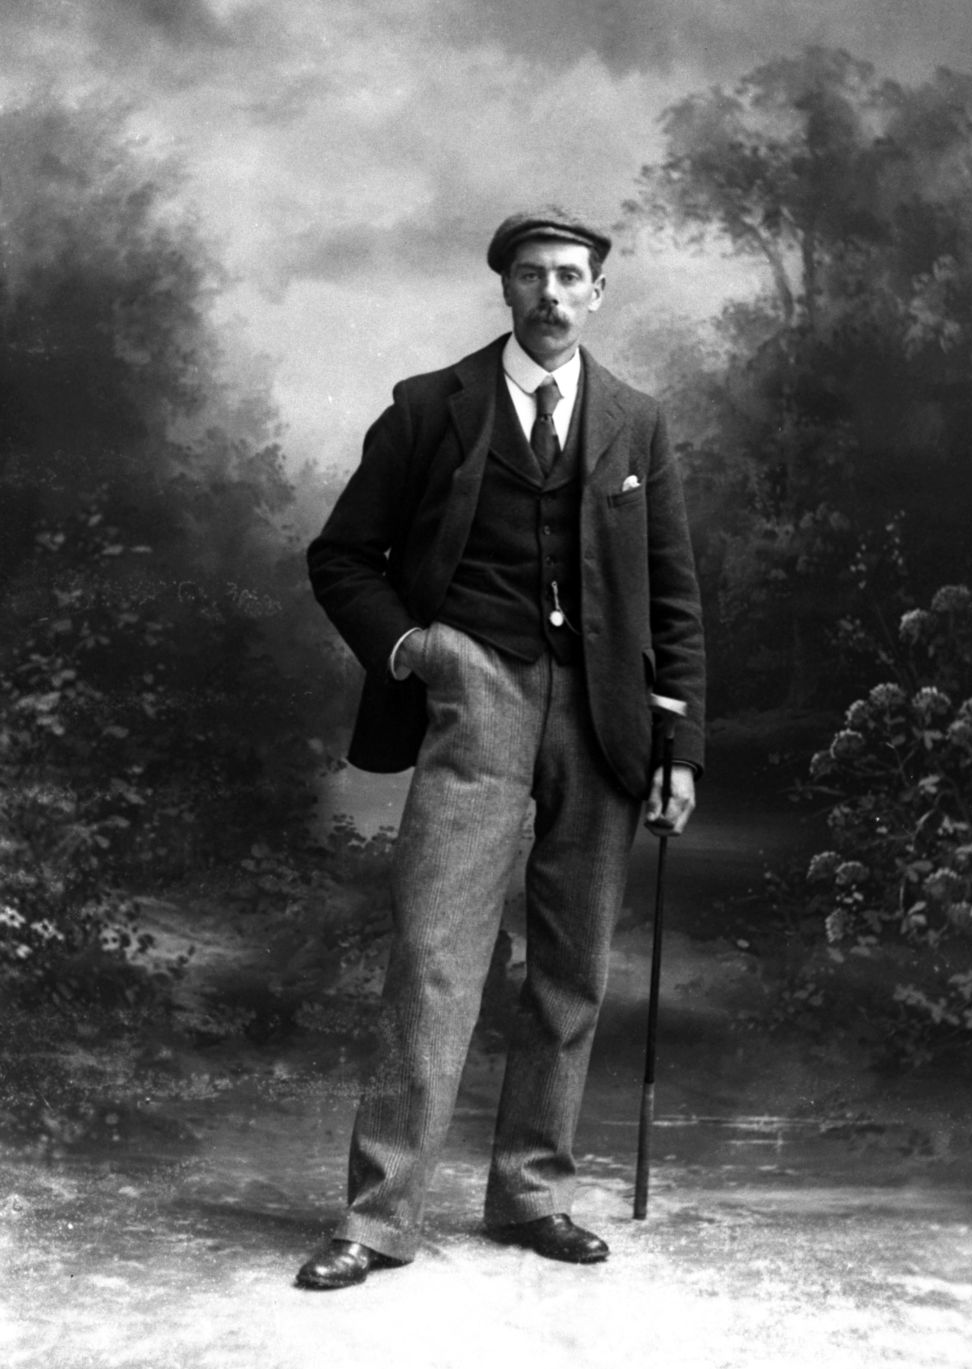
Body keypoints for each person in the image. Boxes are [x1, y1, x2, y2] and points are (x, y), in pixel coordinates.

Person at [297, 206, 705, 1290]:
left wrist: (679, 747)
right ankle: (378, 1215)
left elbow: (672, 596)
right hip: (474, 696)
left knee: (571, 965)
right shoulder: (429, 407)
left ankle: (531, 1192)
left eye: (571, 276)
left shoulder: (637, 421)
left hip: (605, 713)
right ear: (506, 289)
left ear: (598, 293)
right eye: (532, 275)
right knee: (434, 956)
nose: (551, 295)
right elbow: (341, 557)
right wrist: (420, 650)